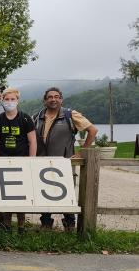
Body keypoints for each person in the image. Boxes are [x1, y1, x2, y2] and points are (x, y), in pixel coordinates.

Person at [33, 87, 98, 231]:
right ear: (45, 100)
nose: (53, 99)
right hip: (43, 163)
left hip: (64, 163)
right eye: (50, 97)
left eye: (57, 97)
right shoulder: (37, 117)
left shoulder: (70, 115)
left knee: (67, 193)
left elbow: (92, 130)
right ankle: (45, 224)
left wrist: (82, 152)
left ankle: (69, 226)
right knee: (44, 192)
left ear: (61, 99)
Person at [0, 87, 37, 234]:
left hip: (22, 162)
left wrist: (31, 161)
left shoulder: (25, 118)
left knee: (21, 196)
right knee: (6, 196)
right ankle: (7, 225)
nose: (10, 102)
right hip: (3, 162)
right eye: (7, 99)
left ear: (17, 101)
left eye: (13, 99)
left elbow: (33, 142)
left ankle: (21, 227)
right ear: (2, 101)